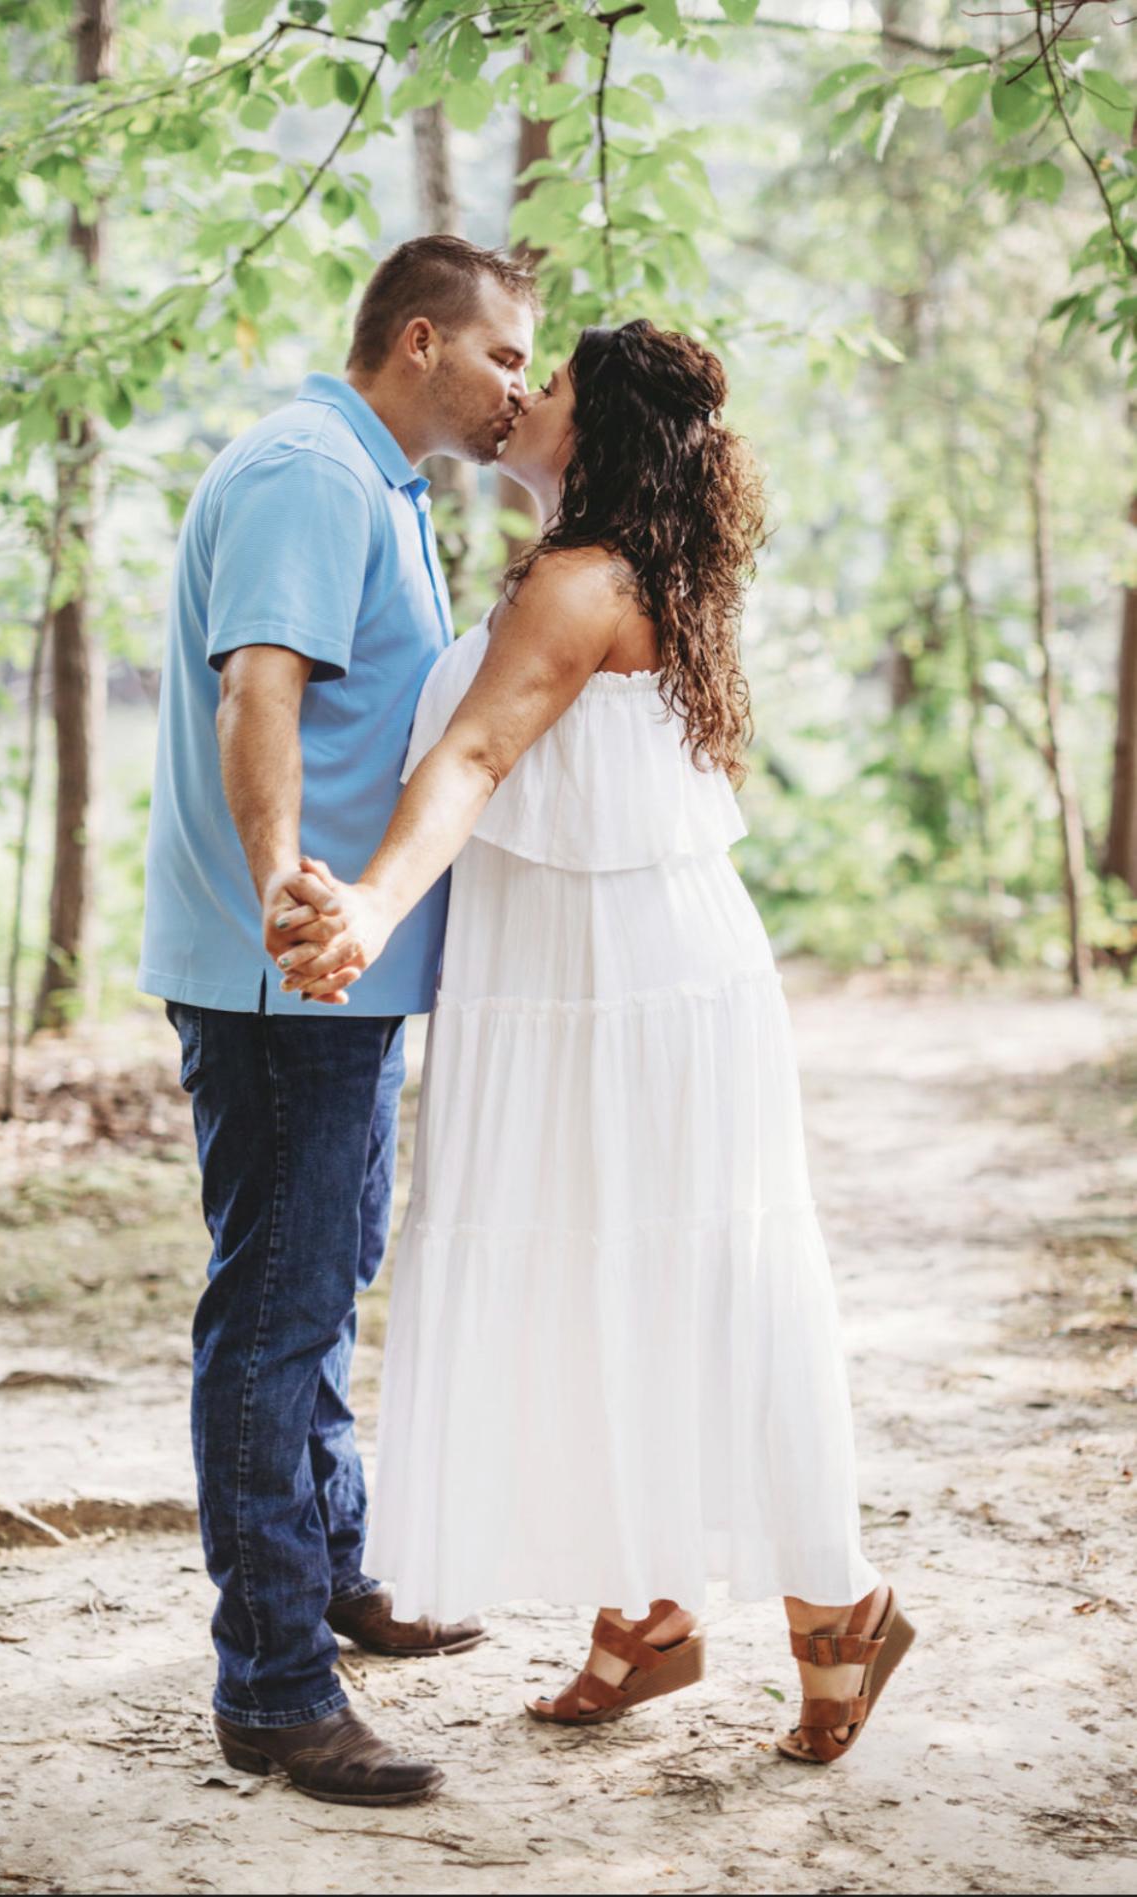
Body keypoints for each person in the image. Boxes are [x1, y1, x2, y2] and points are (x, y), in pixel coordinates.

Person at [276, 319, 914, 1766]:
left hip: (626, 989)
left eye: (546, 383)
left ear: (600, 427)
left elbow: (480, 755)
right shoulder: (638, 567)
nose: (520, 398)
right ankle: (649, 1616)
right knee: (606, 1278)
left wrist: (369, 905)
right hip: (597, 977)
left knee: (695, 1278)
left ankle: (839, 1605)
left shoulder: (579, 581)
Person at [138, 235, 540, 1806]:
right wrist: (290, 902)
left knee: (325, 1275)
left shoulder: (376, 479)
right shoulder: (312, 468)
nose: (520, 387)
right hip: (288, 973)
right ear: (423, 339)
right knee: (278, 1310)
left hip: (335, 974)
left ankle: (337, 1576)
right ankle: (276, 1685)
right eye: (507, 357)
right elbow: (262, 693)